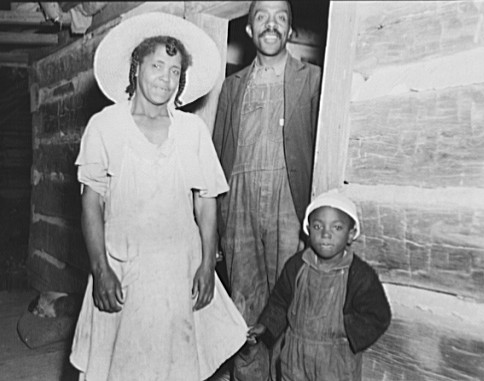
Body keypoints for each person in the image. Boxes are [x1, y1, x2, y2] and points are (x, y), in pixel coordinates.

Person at [69, 12, 248, 381]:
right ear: (136, 67)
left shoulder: (191, 130)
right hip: (123, 269)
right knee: (120, 365)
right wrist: (101, 269)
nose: (165, 79)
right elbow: (92, 203)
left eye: (175, 71)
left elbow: (206, 200)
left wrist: (207, 265)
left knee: (175, 365)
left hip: (176, 274)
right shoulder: (105, 126)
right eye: (157, 66)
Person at [212, 1, 322, 379]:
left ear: (291, 30)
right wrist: (212, 226)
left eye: (280, 18)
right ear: (248, 30)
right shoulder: (231, 87)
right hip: (238, 204)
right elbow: (216, 159)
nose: (270, 25)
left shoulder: (313, 80)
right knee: (245, 308)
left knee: (290, 304)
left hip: (289, 206)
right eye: (261, 17)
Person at [247, 190, 392, 381]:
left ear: (351, 234)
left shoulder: (359, 275)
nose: (325, 234)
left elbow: (378, 315)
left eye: (337, 228)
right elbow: (280, 302)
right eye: (317, 226)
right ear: (308, 230)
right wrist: (265, 326)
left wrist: (346, 329)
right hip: (295, 357)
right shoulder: (296, 265)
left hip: (336, 362)